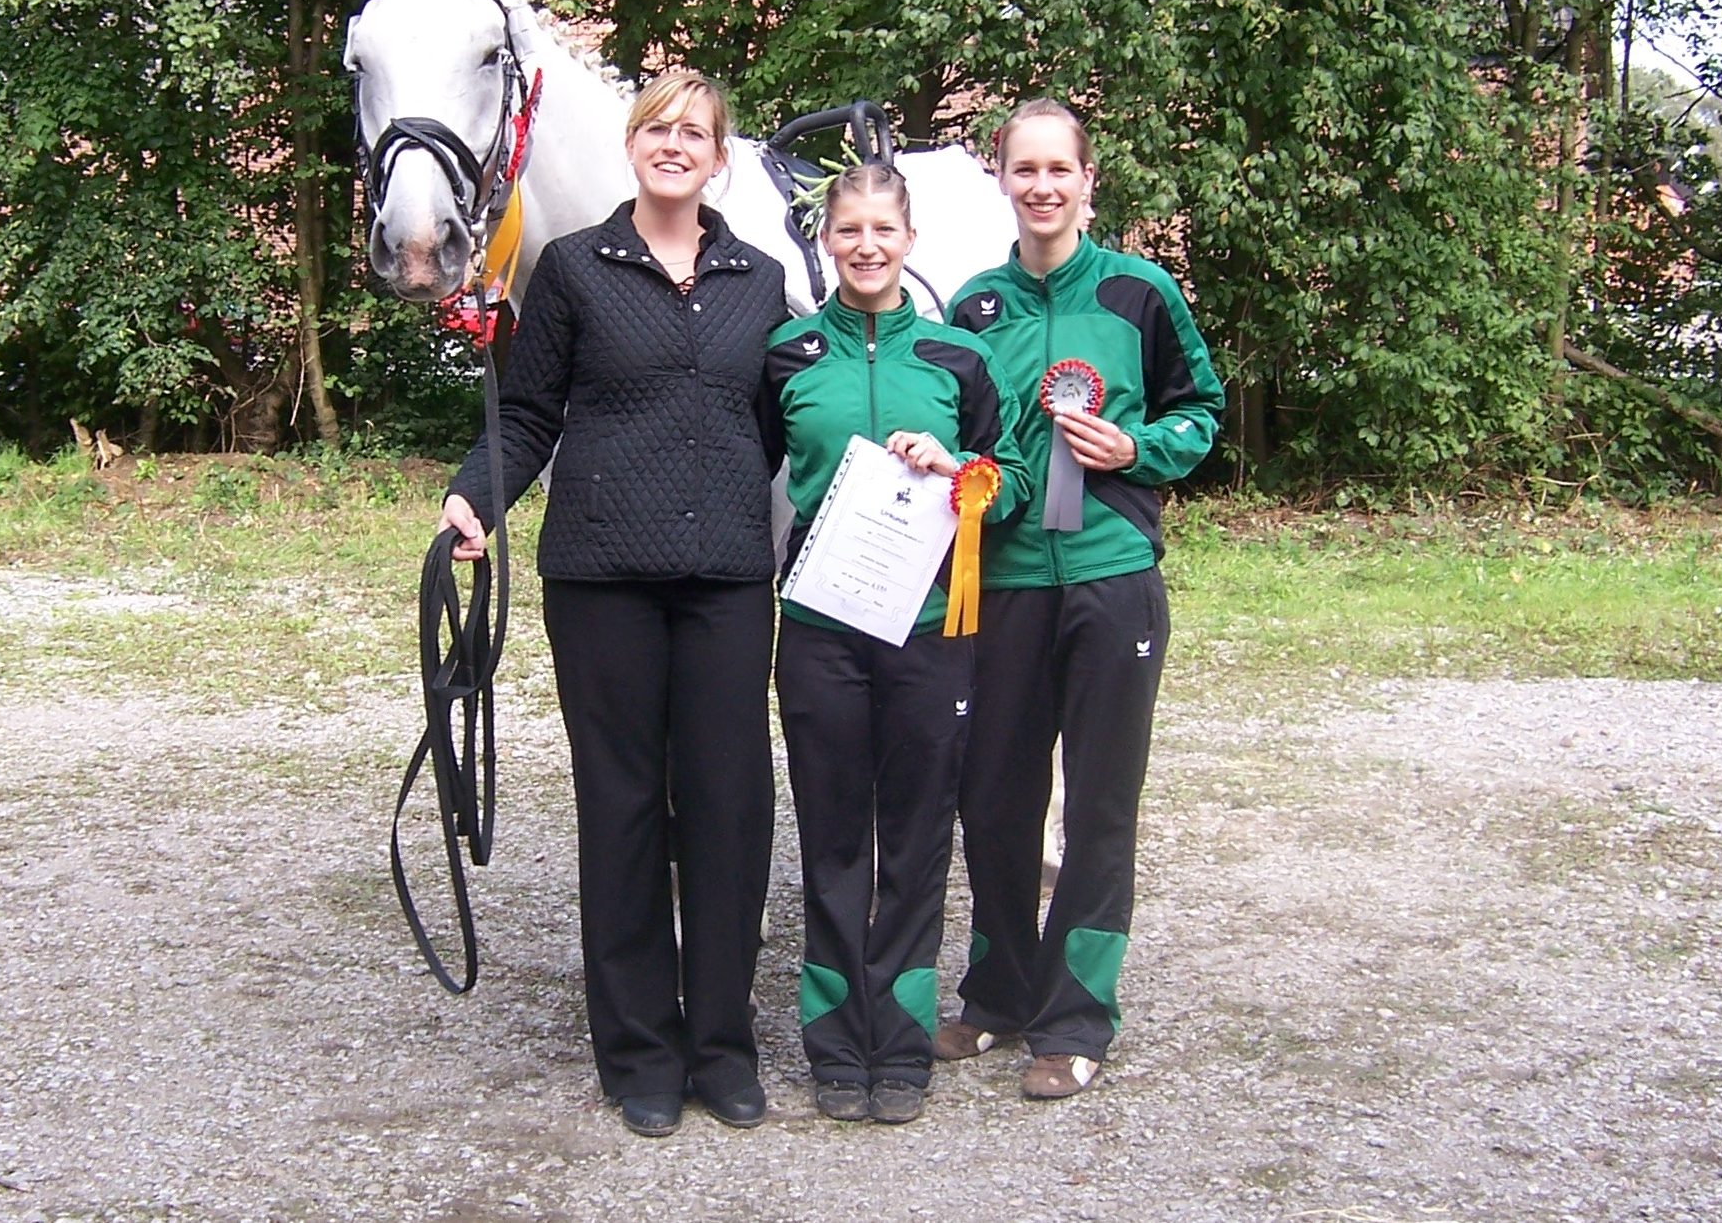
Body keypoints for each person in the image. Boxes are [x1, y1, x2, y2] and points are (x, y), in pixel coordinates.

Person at [440, 70, 788, 1137]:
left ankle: (721, 1045)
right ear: (633, 145)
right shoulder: (574, 269)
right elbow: (529, 412)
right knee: (624, 806)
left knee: (729, 806)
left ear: (718, 158)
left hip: (726, 579)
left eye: (695, 132)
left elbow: (782, 423)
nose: (675, 144)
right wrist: (476, 493)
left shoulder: (761, 279)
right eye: (658, 128)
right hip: (603, 582)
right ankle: (639, 1050)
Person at [940, 98, 1224, 1098]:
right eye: (1024, 169)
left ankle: (1075, 1016)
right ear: (1001, 179)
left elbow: (1201, 409)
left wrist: (1136, 447)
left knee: (1098, 805)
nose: (1042, 186)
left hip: (1110, 577)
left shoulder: (1140, 293)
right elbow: (958, 435)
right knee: (993, 798)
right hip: (1004, 584)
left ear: (1087, 181)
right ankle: (997, 993)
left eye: (1059, 169)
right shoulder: (973, 308)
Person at [759, 163, 1031, 1124]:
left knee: (916, 835)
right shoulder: (786, 354)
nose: (866, 246)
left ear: (910, 241)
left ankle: (902, 1040)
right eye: (848, 230)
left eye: (883, 229)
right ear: (825, 242)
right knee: (833, 835)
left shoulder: (959, 357)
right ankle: (837, 1042)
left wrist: (959, 468)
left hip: (929, 631)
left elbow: (1011, 479)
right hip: (820, 631)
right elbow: (743, 468)